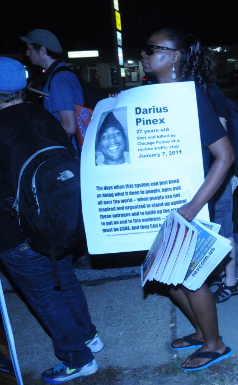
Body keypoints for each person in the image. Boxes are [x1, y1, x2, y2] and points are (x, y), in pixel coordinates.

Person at [0, 57, 103, 383]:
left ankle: (77, 358)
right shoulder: (44, 117)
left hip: (16, 233)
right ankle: (89, 337)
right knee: (64, 280)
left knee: (45, 296)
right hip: (59, 222)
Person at [140, 28, 234, 370]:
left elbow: (225, 155)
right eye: (146, 49)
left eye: (153, 49)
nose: (145, 55)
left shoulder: (191, 98)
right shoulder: (150, 95)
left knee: (192, 278)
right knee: (164, 274)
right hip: (160, 202)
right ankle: (199, 332)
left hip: (189, 203)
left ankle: (215, 343)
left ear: (176, 56)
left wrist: (193, 207)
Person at [20, 29, 93, 269]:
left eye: (30, 48)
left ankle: (79, 252)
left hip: (66, 156)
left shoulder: (59, 79)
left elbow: (69, 126)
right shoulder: (58, 75)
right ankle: (81, 252)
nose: (26, 52)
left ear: (42, 49)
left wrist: (37, 133)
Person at [201, 47, 238, 304]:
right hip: (204, 174)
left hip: (218, 175)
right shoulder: (200, 93)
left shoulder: (212, 94)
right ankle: (218, 273)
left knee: (224, 230)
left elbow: (221, 136)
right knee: (210, 228)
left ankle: (231, 281)